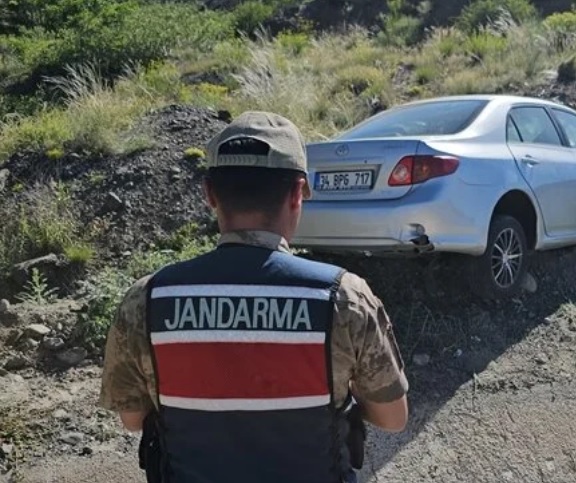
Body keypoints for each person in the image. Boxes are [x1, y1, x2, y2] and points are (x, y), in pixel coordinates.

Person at [98, 111, 409, 483]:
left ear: (209, 194)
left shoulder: (146, 300)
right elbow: (393, 418)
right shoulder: (344, 298)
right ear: (297, 193)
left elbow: (132, 419)